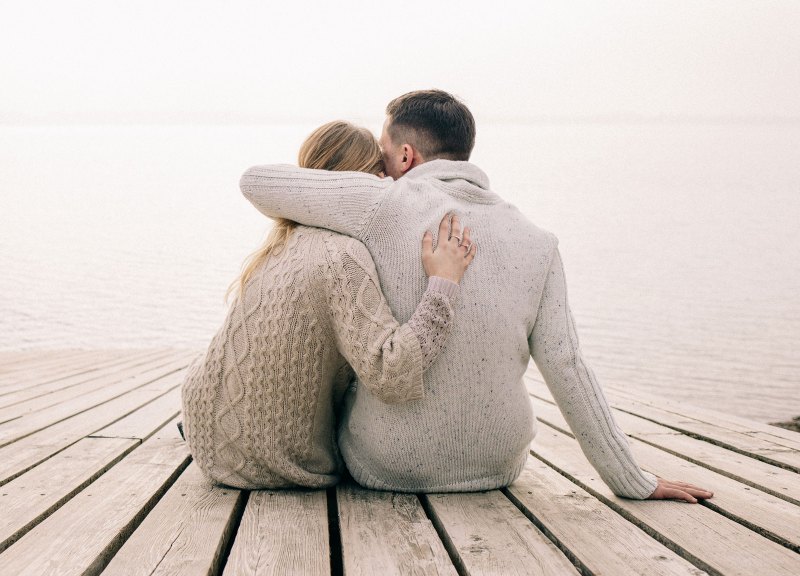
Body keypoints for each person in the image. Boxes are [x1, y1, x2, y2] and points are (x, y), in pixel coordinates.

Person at [237, 90, 713, 503]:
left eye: (383, 158)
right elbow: (568, 368)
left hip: (387, 467)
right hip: (497, 467)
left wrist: (361, 186)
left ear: (405, 157)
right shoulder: (538, 241)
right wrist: (634, 480)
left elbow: (257, 182)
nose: (379, 171)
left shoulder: (381, 205)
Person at [181, 120, 476, 489]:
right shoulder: (344, 256)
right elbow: (392, 374)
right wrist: (443, 285)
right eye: (379, 176)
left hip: (204, 431)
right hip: (269, 461)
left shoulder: (280, 242)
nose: (388, 186)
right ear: (359, 182)